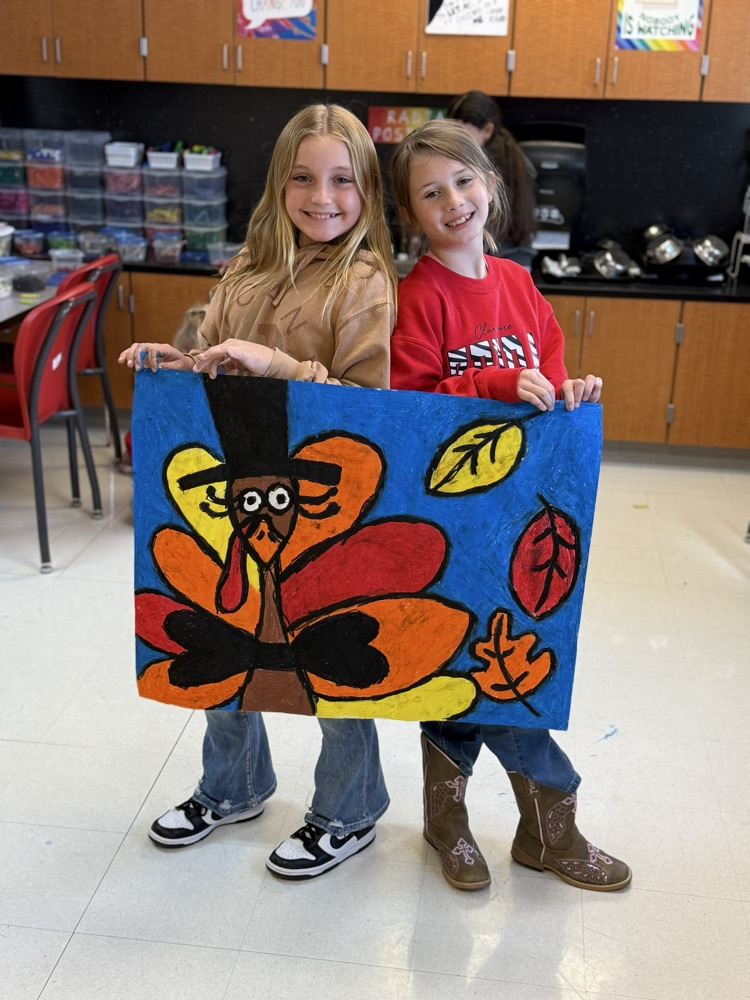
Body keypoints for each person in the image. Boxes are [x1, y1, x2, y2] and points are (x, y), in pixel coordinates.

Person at [119, 103, 397, 880]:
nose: (323, 197)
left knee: (330, 654)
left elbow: (369, 409)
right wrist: (172, 360)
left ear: (367, 192)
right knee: (222, 632)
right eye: (303, 178)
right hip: (235, 491)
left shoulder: (367, 282)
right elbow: (209, 351)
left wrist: (279, 367)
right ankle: (232, 784)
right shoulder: (246, 266)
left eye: (343, 181)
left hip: (323, 506)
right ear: (279, 184)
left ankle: (351, 806)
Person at [388, 118, 631, 892]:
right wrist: (493, 385)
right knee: (474, 663)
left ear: (489, 184)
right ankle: (546, 820)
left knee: (496, 659)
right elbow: (410, 404)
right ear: (412, 214)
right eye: (431, 193)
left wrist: (573, 391)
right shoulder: (416, 297)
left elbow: (549, 380)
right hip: (451, 519)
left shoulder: (522, 287)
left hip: (523, 520)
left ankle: (459, 821)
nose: (452, 201)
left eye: (463, 182)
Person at [446, 89, 537, 269]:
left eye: (461, 134)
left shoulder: (484, 165)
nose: (452, 142)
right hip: (518, 258)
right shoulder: (516, 157)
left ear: (487, 130)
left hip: (500, 259)